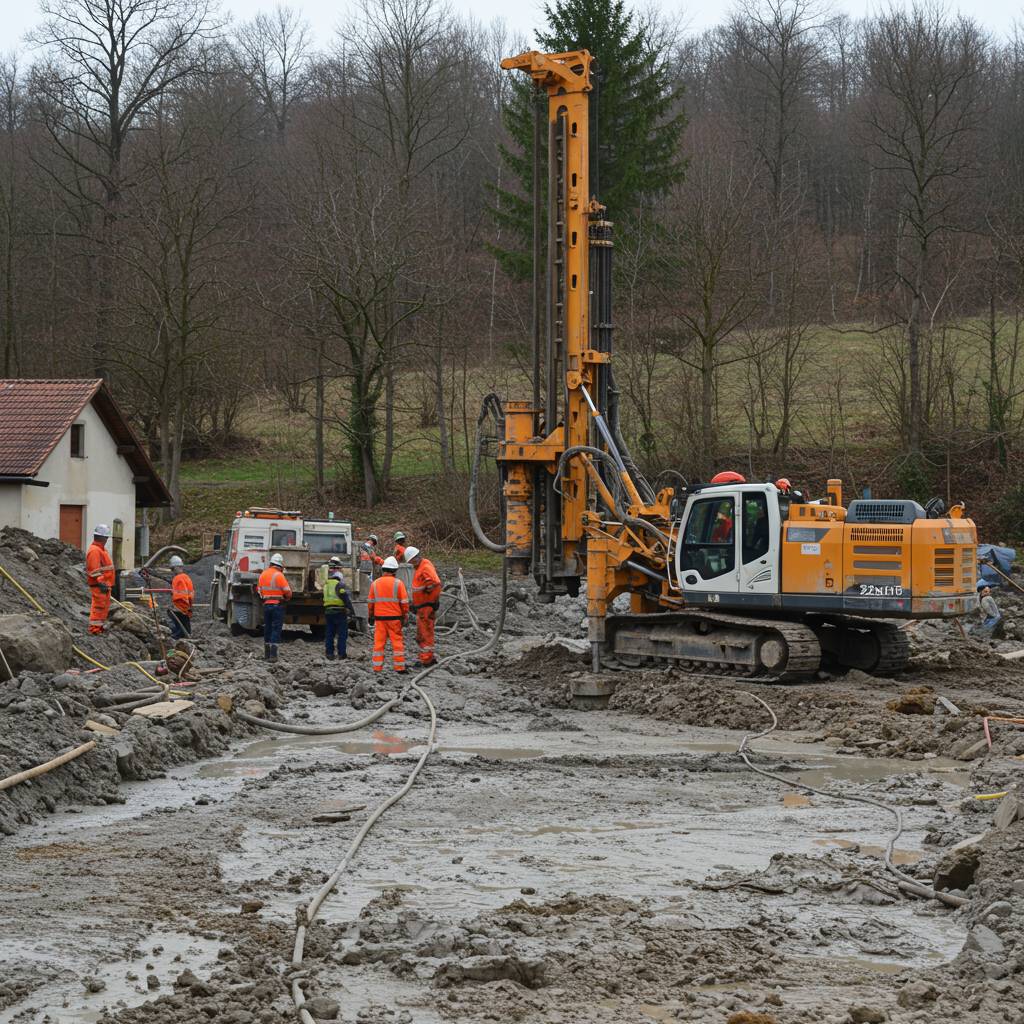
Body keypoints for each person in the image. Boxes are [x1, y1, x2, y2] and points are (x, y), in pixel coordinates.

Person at [367, 556, 409, 674]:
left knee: (379, 644)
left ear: (383, 569)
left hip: (379, 619)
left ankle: (377, 668)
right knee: (397, 643)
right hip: (395, 619)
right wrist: (405, 616)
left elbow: (370, 602)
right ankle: (399, 668)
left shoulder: (375, 584)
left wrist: (370, 616)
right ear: (395, 570)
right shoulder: (398, 584)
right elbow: (404, 603)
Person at [405, 546, 441, 667]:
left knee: (425, 632)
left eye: (410, 562)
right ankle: (427, 657)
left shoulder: (424, 567)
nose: (410, 564)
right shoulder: (422, 566)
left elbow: (433, 583)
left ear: (414, 559)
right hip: (423, 606)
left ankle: (426, 659)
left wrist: (428, 601)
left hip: (425, 607)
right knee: (422, 633)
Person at [257, 553, 292, 662]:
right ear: (280, 565)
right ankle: (273, 655)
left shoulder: (263, 574)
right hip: (277, 605)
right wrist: (286, 598)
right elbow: (288, 592)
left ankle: (267, 654)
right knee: (276, 629)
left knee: (267, 628)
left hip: (266, 605)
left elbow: (259, 591)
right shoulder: (279, 575)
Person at [323, 555, 355, 660]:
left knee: (329, 633)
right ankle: (341, 654)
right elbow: (345, 598)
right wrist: (351, 610)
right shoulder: (339, 585)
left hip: (328, 612)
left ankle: (329, 654)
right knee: (342, 634)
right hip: (339, 612)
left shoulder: (326, 584)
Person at [85, 524, 116, 635]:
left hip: (105, 584)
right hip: (99, 585)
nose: (107, 539)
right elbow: (93, 571)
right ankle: (94, 629)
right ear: (103, 538)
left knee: (103, 608)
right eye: (106, 537)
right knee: (98, 607)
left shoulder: (101, 550)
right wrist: (101, 581)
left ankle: (99, 628)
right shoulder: (94, 551)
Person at [168, 555, 194, 640]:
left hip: (180, 608)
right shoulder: (186, 577)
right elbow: (189, 594)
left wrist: (181, 608)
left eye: (172, 569)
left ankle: (173, 638)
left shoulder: (178, 578)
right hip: (185, 608)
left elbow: (181, 595)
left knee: (181, 631)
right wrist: (189, 607)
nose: (172, 571)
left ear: (175, 567)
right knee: (186, 629)